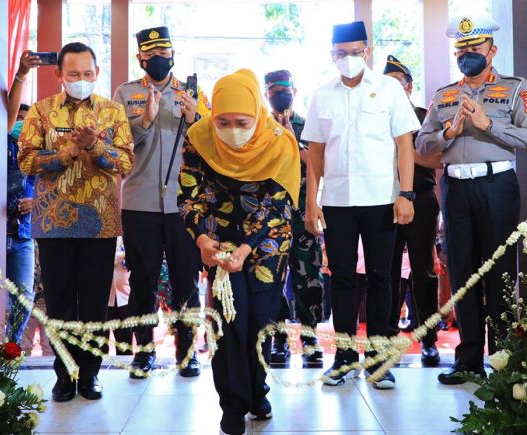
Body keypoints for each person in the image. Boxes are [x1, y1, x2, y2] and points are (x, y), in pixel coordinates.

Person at [416, 16, 527, 385]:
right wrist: (447, 131)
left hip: (497, 185)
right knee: (464, 274)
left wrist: (490, 125)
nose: (467, 55)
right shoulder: (444, 96)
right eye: (461, 50)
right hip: (456, 189)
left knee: (499, 271)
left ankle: (502, 358)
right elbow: (421, 145)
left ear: (492, 50)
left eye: (474, 49)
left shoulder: (516, 88)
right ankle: (468, 359)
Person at [178, 69, 300, 435]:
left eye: (242, 121)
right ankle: (232, 404)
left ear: (256, 114)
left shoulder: (279, 141)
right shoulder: (198, 138)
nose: (232, 129)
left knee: (259, 320)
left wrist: (247, 247)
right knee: (229, 322)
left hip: (267, 243)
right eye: (223, 121)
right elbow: (190, 196)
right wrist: (202, 240)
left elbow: (278, 203)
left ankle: (258, 392)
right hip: (218, 243)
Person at [302, 21, 421, 390]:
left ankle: (379, 358)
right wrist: (311, 201)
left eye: (355, 52)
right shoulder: (322, 95)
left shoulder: (388, 90)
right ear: (332, 55)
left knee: (382, 276)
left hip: (381, 200)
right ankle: (343, 357)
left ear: (367, 51)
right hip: (337, 201)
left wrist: (407, 193)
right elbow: (315, 154)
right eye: (341, 53)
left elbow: (404, 144)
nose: (349, 59)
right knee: (340, 278)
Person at [17, 42, 134, 401]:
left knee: (95, 303)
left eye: (87, 74)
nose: (81, 80)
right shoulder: (41, 111)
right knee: (61, 302)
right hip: (53, 223)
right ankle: (65, 375)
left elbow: (126, 163)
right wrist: (68, 151)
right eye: (73, 75)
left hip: (100, 223)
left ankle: (91, 375)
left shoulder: (112, 112)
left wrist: (96, 147)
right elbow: (26, 161)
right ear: (60, 75)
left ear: (96, 74)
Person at [113, 26, 211, 378]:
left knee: (186, 281)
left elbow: (210, 148)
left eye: (163, 54)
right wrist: (145, 121)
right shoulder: (125, 94)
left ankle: (187, 351)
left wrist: (194, 119)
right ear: (140, 57)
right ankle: (144, 351)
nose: (158, 60)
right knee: (143, 281)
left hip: (182, 205)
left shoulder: (193, 94)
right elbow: (117, 146)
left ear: (173, 55)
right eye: (150, 55)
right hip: (139, 203)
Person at [383, 54, 442, 367]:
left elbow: (438, 160)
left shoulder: (425, 117)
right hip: (385, 202)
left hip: (421, 200)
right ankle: (388, 338)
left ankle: (429, 340)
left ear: (409, 87)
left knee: (424, 272)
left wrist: (406, 151)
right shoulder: (375, 119)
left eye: (398, 84)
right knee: (387, 272)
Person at [264, 69, 323, 367]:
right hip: (270, 216)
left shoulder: (307, 124)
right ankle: (278, 339)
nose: (279, 94)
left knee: (309, 278)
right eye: (273, 91)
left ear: (295, 91)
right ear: (266, 95)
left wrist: (291, 139)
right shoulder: (259, 126)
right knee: (271, 280)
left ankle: (311, 339)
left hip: (303, 213)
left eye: (284, 89)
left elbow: (318, 164)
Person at [5, 102, 36, 343]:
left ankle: (10, 348)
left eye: (28, 121)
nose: (23, 125)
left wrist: (35, 201)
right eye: (19, 119)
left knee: (24, 296)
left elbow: (48, 187)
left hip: (23, 234)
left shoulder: (36, 155)